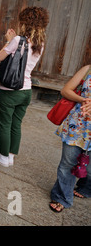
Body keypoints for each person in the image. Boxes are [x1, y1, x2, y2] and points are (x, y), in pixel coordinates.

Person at [0, 7, 49, 167]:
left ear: (25, 23)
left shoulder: (17, 40)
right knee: (16, 123)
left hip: (10, 91)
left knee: (4, 124)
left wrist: (9, 39)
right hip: (26, 90)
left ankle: (3, 157)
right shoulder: (40, 43)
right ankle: (10, 155)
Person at [49, 64, 91, 213]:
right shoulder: (88, 69)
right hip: (78, 127)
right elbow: (66, 90)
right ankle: (62, 197)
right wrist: (83, 100)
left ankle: (86, 187)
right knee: (68, 163)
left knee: (89, 168)